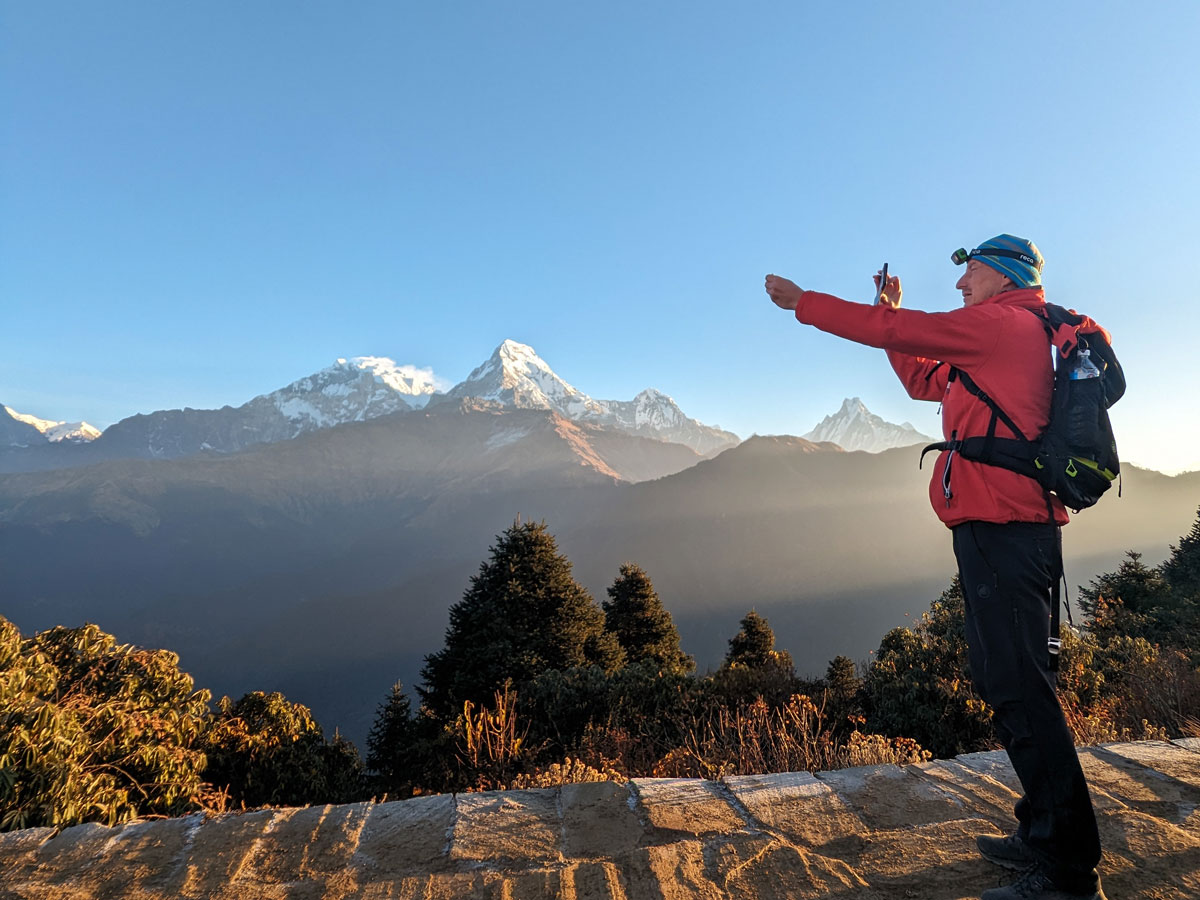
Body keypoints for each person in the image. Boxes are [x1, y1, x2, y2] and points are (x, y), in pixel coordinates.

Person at [765, 234, 1106, 900]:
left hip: (1007, 530)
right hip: (1001, 529)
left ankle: (1067, 869)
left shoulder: (1003, 322)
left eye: (968, 273)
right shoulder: (1008, 334)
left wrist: (806, 304)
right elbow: (929, 378)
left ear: (1002, 275)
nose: (958, 285)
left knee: (1021, 691)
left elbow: (897, 329)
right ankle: (1041, 832)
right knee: (1007, 681)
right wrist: (888, 313)